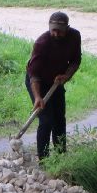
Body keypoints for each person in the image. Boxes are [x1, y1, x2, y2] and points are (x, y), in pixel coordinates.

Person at [25, 11, 81, 159]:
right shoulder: (41, 44)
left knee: (59, 118)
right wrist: (37, 97)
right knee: (46, 119)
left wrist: (67, 75)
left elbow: (76, 61)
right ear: (49, 28)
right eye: (53, 30)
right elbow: (34, 74)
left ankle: (61, 156)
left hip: (56, 81)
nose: (56, 34)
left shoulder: (74, 37)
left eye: (60, 31)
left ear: (67, 29)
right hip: (37, 81)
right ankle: (44, 160)